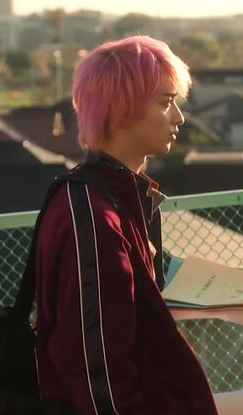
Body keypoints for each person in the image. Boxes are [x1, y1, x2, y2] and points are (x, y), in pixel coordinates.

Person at [34, 36, 219, 414]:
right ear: (123, 108)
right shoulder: (95, 217)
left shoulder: (107, 199)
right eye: (166, 102)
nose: (179, 118)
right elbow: (98, 370)